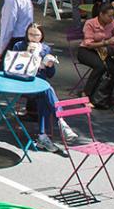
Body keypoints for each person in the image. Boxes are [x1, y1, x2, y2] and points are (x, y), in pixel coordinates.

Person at [9, 24, 75, 154]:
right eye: (31, 34)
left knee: (44, 96)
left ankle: (42, 135)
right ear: (27, 35)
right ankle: (60, 121)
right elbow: (14, 68)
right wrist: (28, 54)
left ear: (42, 36)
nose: (33, 38)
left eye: (37, 35)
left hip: (39, 84)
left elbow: (50, 74)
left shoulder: (45, 49)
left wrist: (49, 65)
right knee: (47, 90)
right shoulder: (19, 46)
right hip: (24, 82)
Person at [77, 1, 114, 107]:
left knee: (113, 69)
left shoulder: (112, 23)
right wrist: (106, 42)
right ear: (101, 14)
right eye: (109, 16)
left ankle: (104, 97)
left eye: (113, 16)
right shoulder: (90, 23)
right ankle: (85, 94)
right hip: (86, 50)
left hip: (102, 51)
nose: (112, 18)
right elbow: (88, 43)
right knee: (100, 66)